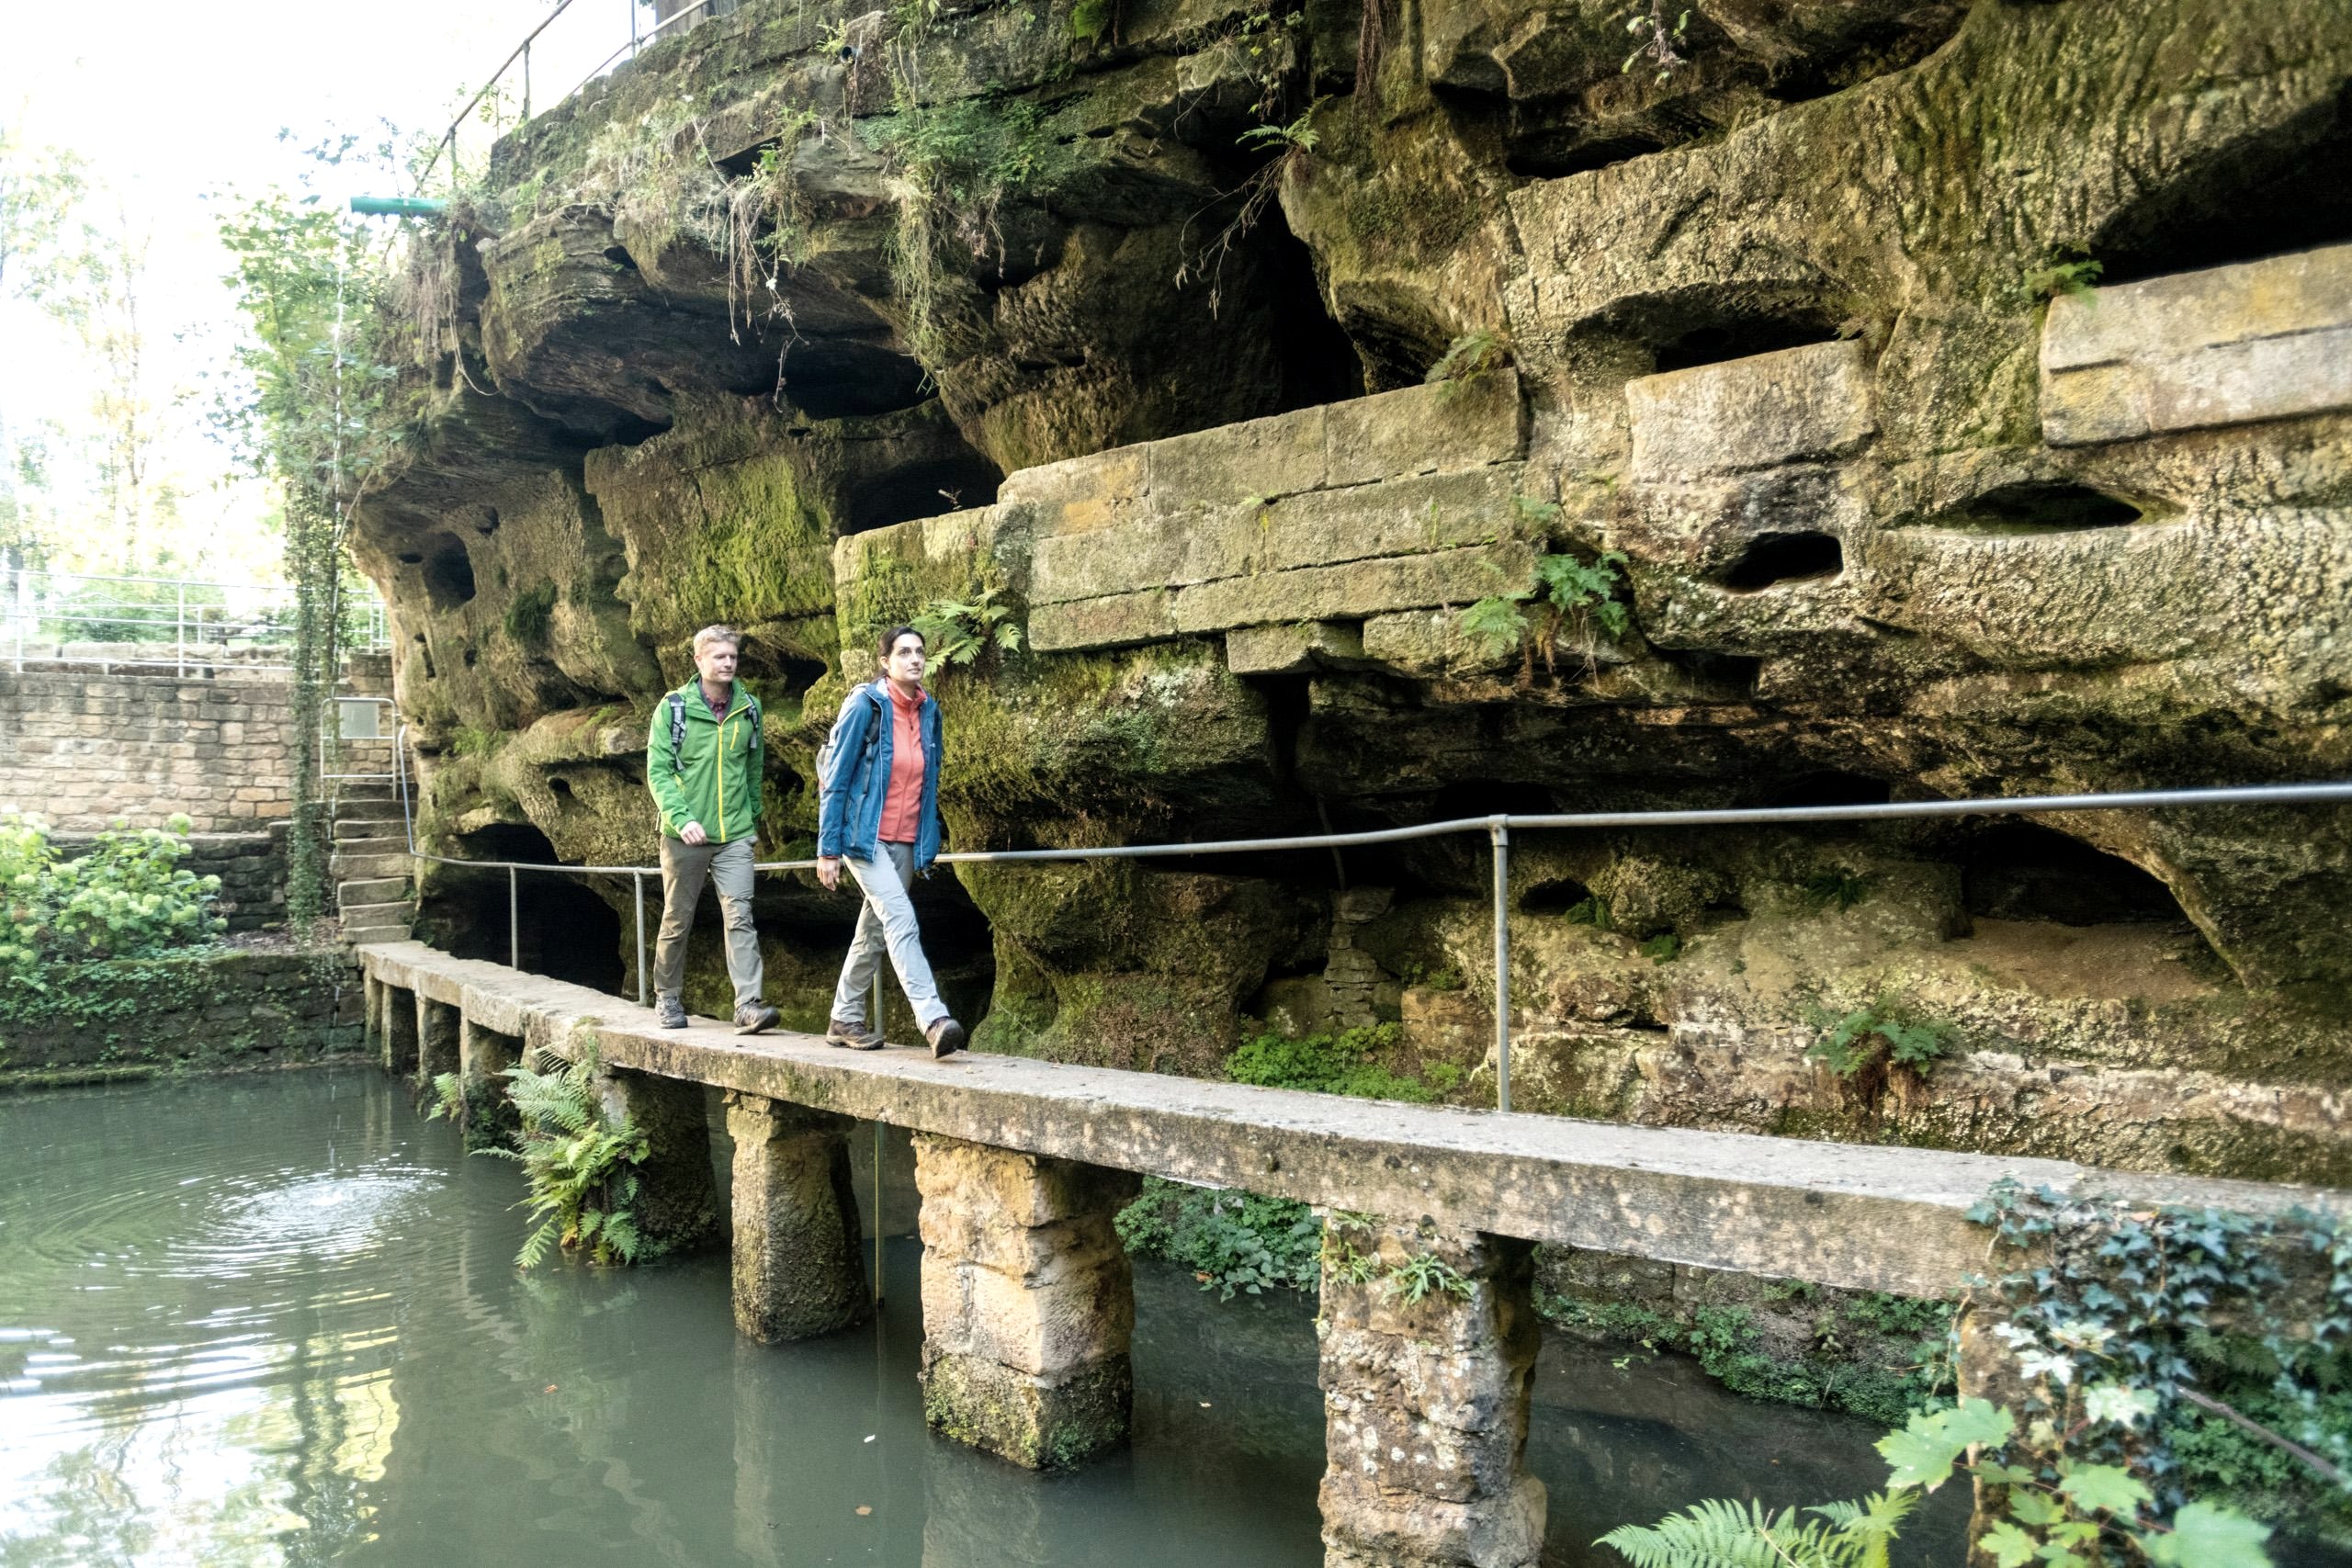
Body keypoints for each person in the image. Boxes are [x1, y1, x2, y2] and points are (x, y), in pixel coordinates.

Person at [817, 626, 965, 1058]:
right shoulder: (866, 705)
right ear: (885, 662)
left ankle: (844, 1017)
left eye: (920, 651)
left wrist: (926, 839)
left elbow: (928, 780)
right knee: (900, 918)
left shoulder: (929, 710)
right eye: (904, 652)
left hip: (905, 840)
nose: (914, 659)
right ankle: (933, 1018)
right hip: (863, 839)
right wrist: (828, 849)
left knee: (873, 931)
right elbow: (836, 780)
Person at [646, 625, 780, 1033]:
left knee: (740, 916)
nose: (727, 663)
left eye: (733, 657)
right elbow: (658, 771)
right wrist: (681, 818)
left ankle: (748, 1005)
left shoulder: (749, 708)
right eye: (719, 656)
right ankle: (668, 997)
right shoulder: (674, 708)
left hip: (734, 834)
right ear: (699, 660)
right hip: (683, 834)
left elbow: (753, 766)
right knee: (677, 918)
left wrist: (751, 816)